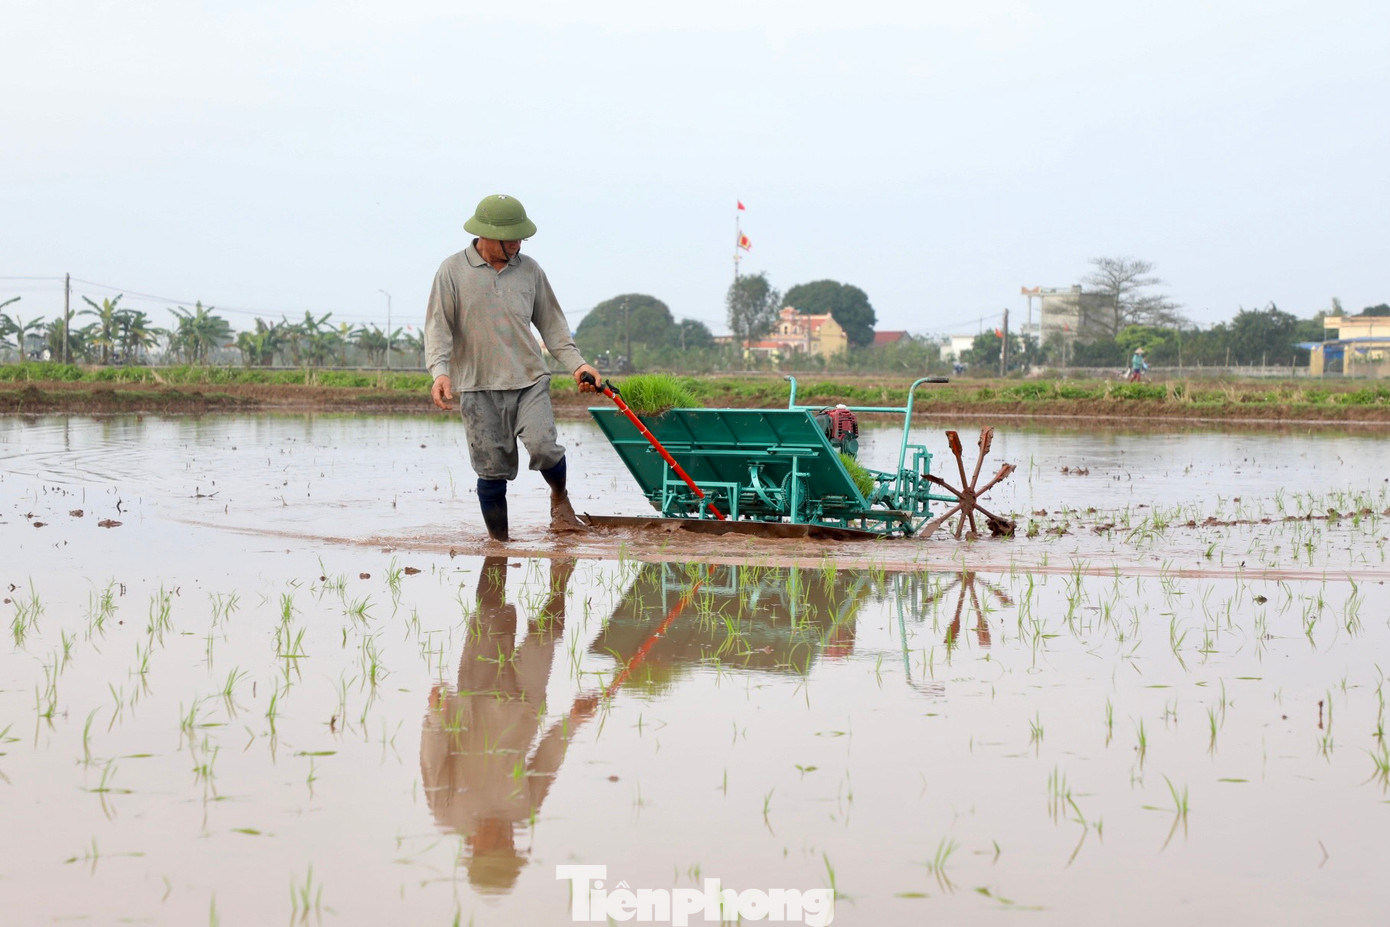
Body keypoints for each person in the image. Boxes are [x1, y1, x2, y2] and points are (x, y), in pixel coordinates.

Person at [425, 194, 601, 542]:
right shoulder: (452, 271)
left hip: (529, 382)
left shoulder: (530, 271)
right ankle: (499, 547)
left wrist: (579, 365)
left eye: (522, 238)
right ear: (487, 235)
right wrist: (440, 372)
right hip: (477, 386)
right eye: (512, 239)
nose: (519, 244)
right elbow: (438, 327)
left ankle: (560, 499)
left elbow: (553, 327)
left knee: (544, 447)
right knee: (491, 472)